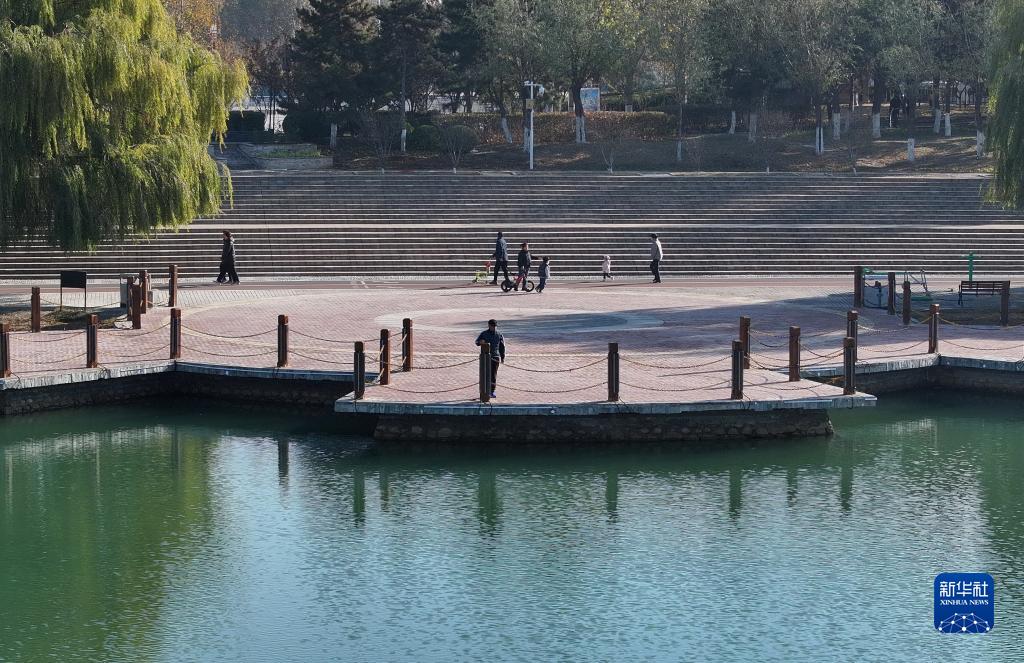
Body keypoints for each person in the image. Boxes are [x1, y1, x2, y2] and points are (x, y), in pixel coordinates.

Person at [475, 319, 505, 399]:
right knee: (484, 375)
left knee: (493, 375)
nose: (494, 328)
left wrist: (502, 357)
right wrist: (480, 342)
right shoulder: (484, 334)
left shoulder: (499, 334)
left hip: (495, 357)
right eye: (492, 326)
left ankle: (492, 391)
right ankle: (483, 392)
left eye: (495, 326)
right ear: (489, 325)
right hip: (485, 358)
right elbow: (476, 342)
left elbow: (502, 347)